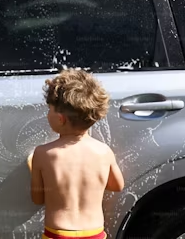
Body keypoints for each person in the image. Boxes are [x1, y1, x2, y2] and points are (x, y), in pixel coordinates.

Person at [28, 69, 125, 239]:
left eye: (49, 110)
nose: (47, 114)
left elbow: (37, 198)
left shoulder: (43, 153)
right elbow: (117, 186)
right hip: (94, 234)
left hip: (57, 234)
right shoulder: (103, 152)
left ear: (61, 119)